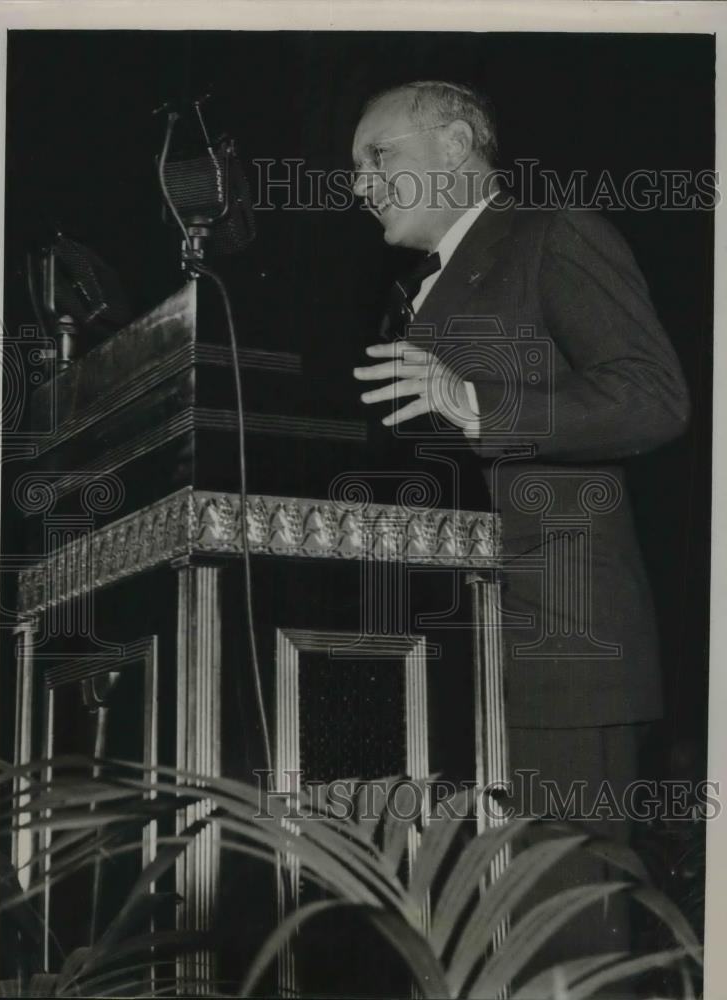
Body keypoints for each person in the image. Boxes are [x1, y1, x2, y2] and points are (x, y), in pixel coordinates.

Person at [350, 80, 691, 974]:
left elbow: (654, 399)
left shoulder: (552, 236)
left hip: (562, 646)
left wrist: (471, 401)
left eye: (378, 157)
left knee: (567, 942)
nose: (360, 183)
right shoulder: (411, 295)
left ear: (457, 143)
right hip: (447, 660)